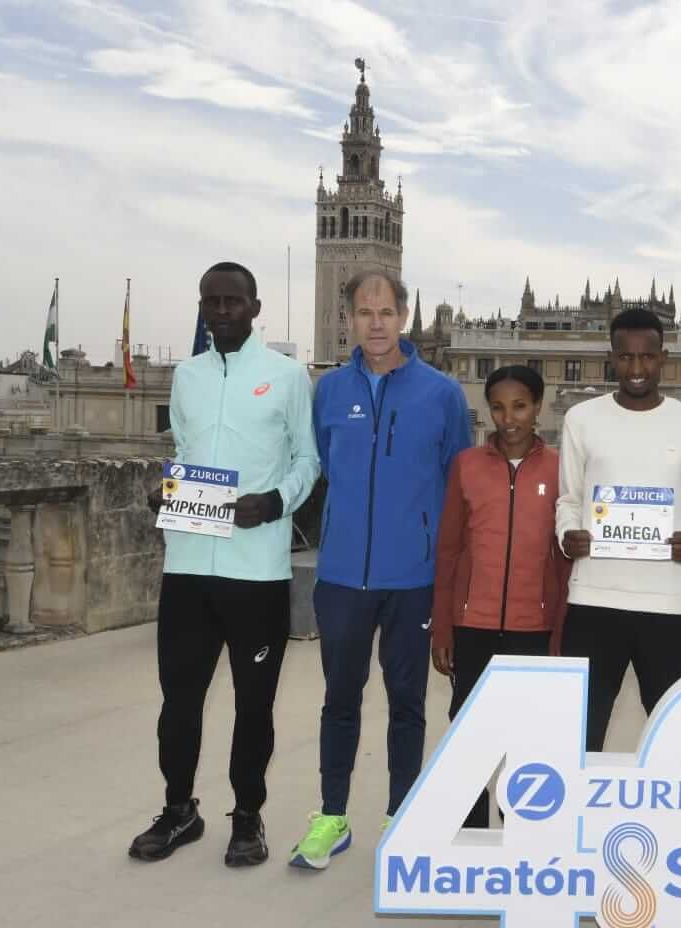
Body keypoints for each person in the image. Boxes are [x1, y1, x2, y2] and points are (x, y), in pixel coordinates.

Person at [130, 261, 320, 867]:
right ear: (201, 308)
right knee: (178, 704)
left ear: (254, 308)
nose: (221, 311)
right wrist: (167, 493)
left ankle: (247, 817)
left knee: (253, 707)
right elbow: (185, 454)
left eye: (232, 301)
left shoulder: (287, 377)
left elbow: (308, 460)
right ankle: (178, 810)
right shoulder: (187, 376)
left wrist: (274, 503)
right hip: (187, 567)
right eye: (210, 301)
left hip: (256, 571)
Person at [288, 270, 471, 870]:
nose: (375, 323)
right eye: (364, 312)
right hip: (342, 578)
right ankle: (332, 818)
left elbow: (458, 485)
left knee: (407, 704)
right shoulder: (329, 392)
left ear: (403, 316)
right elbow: (325, 465)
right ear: (349, 319)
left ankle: (401, 818)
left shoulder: (442, 395)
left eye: (386, 312)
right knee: (339, 700)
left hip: (413, 580)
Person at [556, 307, 681, 752]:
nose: (636, 367)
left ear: (663, 358)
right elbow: (568, 499)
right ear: (611, 358)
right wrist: (568, 534)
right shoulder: (581, 419)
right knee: (578, 739)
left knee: (679, 743)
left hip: (668, 605)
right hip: (593, 601)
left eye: (647, 356)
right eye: (626, 357)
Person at [430, 364, 570, 827]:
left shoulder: (561, 468)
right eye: (498, 408)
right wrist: (443, 627)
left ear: (538, 407)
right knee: (470, 734)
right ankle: (471, 837)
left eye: (520, 406)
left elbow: (564, 561)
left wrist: (560, 631)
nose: (509, 418)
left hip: (534, 628)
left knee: (526, 739)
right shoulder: (467, 466)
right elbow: (449, 551)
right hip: (474, 625)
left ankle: (520, 835)